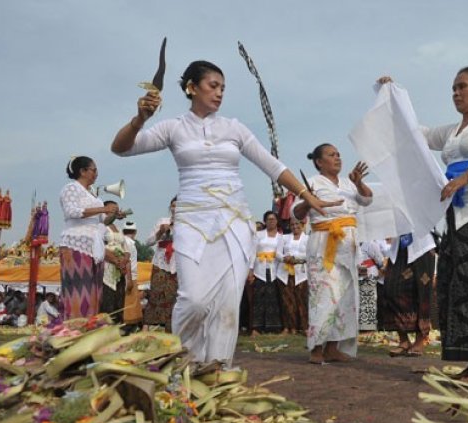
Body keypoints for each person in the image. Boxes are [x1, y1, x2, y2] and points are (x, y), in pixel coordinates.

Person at [111, 60, 333, 367]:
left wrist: (308, 194)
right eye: (213, 86)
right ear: (191, 87)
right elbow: (121, 148)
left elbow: (272, 165)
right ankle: (186, 365)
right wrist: (140, 118)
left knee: (227, 303)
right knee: (194, 300)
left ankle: (216, 369)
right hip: (192, 221)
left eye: (223, 88)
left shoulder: (234, 128)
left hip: (234, 222)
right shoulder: (173, 127)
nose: (219, 93)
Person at [378, 66, 468, 384]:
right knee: (459, 282)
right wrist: (393, 97)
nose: (456, 93)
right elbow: (418, 134)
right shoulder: (453, 132)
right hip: (461, 212)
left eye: (462, 87)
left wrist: (467, 176)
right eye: (453, 88)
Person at [293, 143, 373, 364]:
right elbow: (296, 212)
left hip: (348, 246)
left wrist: (359, 183)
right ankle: (316, 348)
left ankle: (332, 348)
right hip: (324, 242)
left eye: (338, 154)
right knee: (323, 295)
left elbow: (367, 199)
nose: (337, 158)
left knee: (345, 296)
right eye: (331, 155)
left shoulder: (349, 183)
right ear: (319, 162)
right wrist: (308, 200)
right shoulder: (311, 183)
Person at [59, 156, 120, 320]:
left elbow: (103, 222)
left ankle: (88, 328)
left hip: (94, 247)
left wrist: (113, 215)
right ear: (82, 171)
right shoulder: (71, 188)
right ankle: (73, 328)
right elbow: (71, 212)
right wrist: (103, 208)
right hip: (75, 245)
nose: (96, 173)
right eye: (93, 170)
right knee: (78, 290)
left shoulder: (94, 196)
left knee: (93, 291)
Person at [380, 233, 436, 357]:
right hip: (399, 246)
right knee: (391, 288)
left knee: (422, 291)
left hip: (422, 245)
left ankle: (420, 340)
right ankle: (404, 341)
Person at [143, 197, 178, 331]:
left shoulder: (188, 224)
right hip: (161, 262)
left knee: (175, 296)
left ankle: (172, 327)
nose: (175, 208)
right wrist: (161, 232)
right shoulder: (163, 221)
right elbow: (148, 242)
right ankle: (148, 326)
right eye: (173, 205)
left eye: (178, 206)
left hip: (178, 263)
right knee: (156, 293)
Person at [248, 210, 283, 335]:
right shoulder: (258, 235)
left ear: (277, 221)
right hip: (259, 269)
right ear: (265, 221)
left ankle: (272, 327)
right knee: (258, 298)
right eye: (269, 219)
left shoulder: (280, 237)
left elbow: (280, 254)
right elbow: (252, 252)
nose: (271, 221)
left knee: (272, 298)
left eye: (273, 219)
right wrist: (251, 270)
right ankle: (256, 328)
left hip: (274, 269)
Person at [275, 217, 309, 334]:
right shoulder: (284, 237)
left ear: (302, 225)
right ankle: (289, 327)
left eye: (297, 224)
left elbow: (309, 255)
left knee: (301, 300)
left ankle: (304, 327)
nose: (295, 226)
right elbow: (277, 253)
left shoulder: (308, 239)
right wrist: (285, 258)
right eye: (292, 224)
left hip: (301, 274)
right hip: (285, 272)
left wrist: (295, 258)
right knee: (287, 301)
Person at [99, 201, 131, 323]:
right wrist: (115, 260)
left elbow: (126, 248)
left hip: (119, 267)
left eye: (117, 209)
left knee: (119, 299)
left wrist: (124, 259)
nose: (117, 211)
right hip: (107, 266)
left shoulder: (118, 228)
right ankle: (105, 328)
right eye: (114, 209)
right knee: (108, 300)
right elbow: (100, 247)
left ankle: (118, 326)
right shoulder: (101, 226)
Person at [357, 239, 385, 332]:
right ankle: (359, 326)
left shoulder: (371, 243)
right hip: (356, 274)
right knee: (359, 301)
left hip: (369, 274)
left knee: (368, 299)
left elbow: (379, 259)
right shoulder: (352, 244)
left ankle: (368, 328)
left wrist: (381, 267)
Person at [122, 221, 143, 325]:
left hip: (129, 275)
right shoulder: (129, 243)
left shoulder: (125, 241)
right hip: (130, 276)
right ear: (135, 232)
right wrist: (129, 279)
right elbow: (127, 261)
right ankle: (127, 327)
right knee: (129, 305)